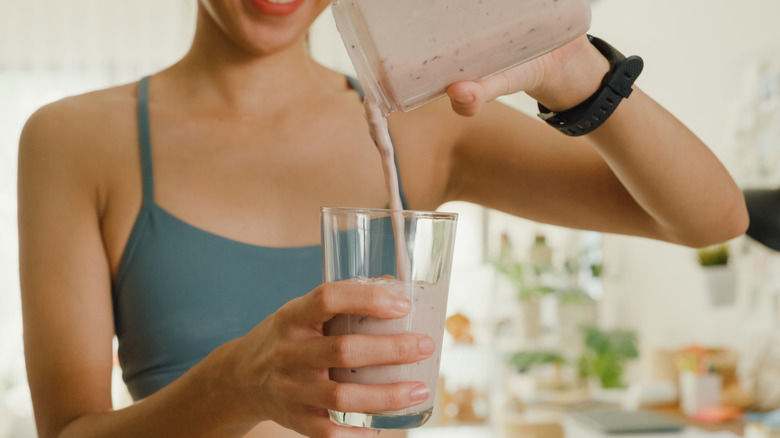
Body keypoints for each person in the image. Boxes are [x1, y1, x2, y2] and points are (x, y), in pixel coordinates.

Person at [17, 1, 748, 437]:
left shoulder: (421, 126)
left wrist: (574, 69)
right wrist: (235, 383)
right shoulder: (76, 140)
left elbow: (711, 218)